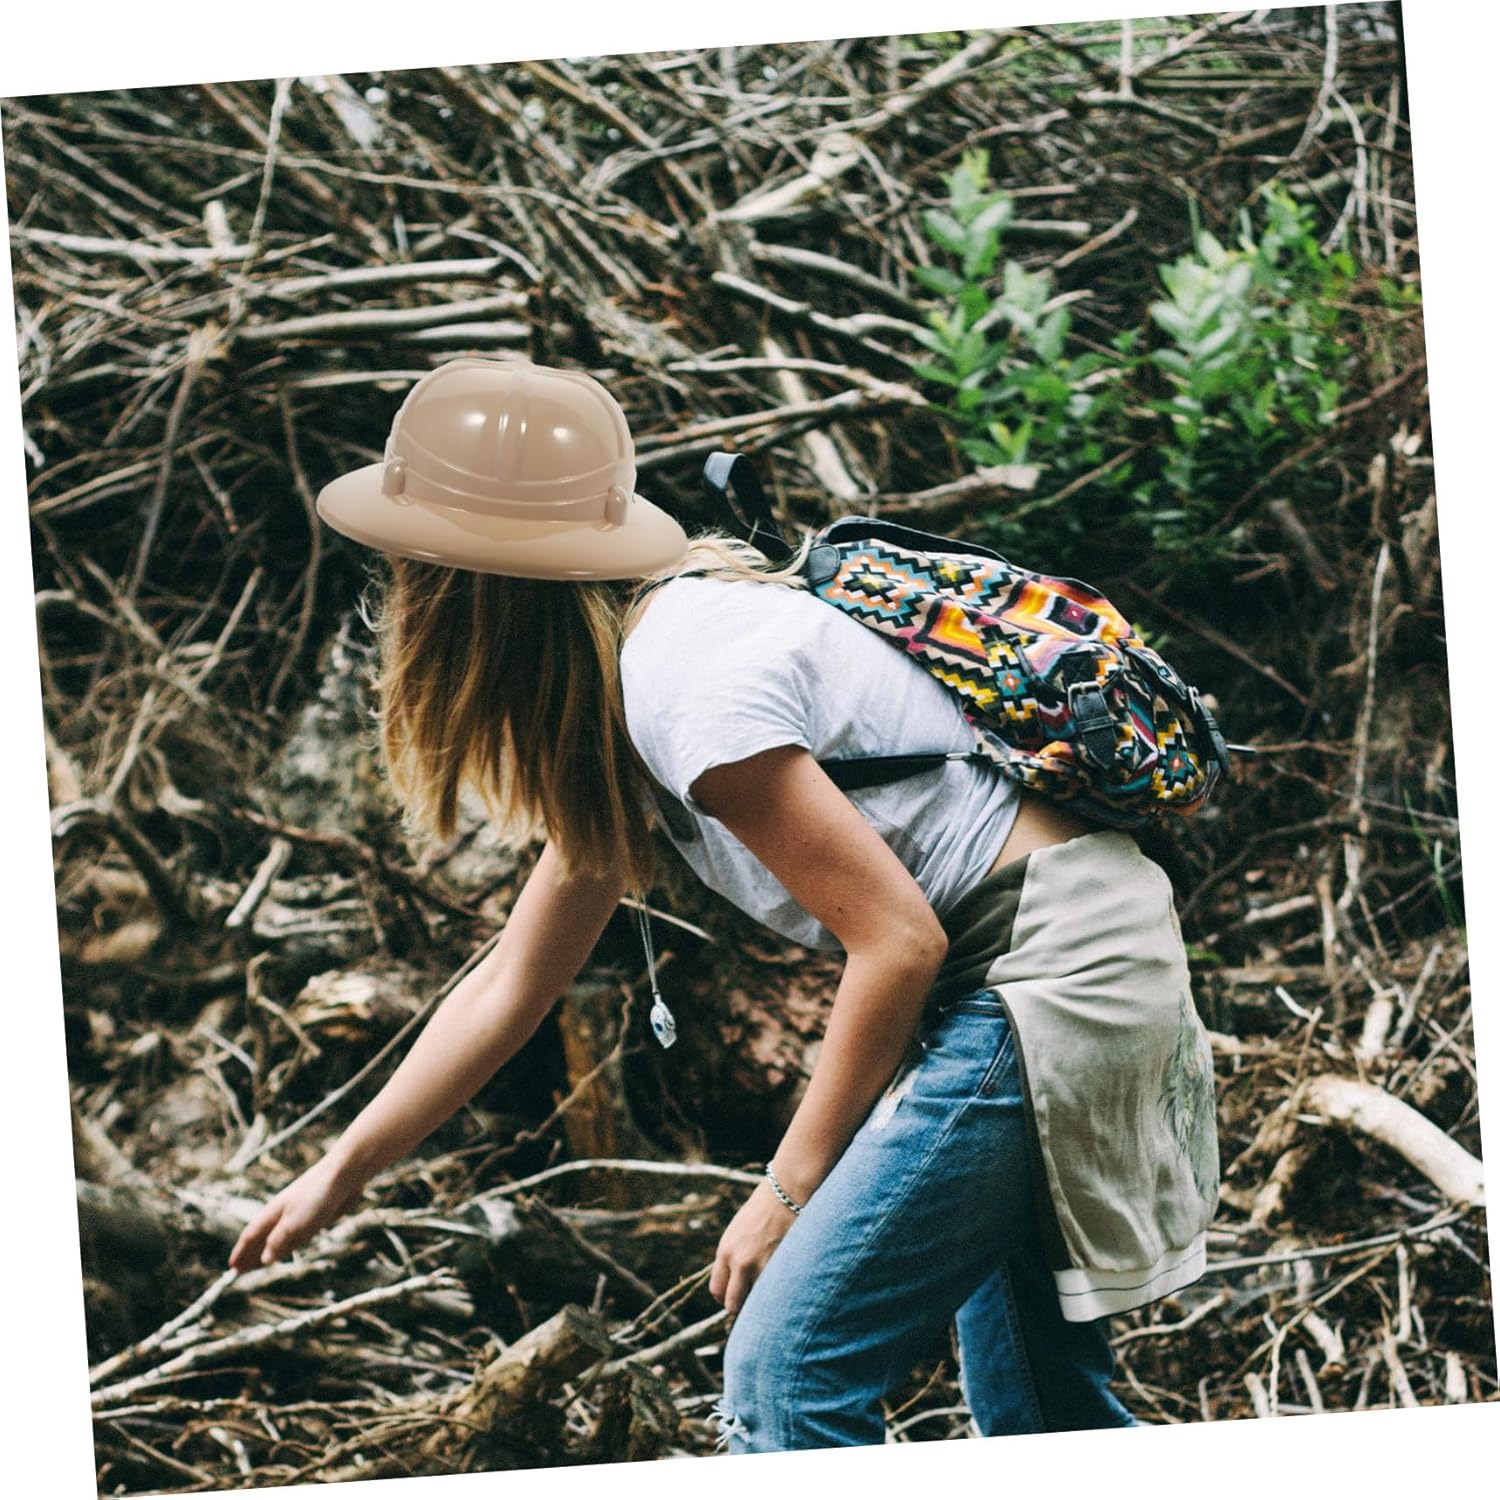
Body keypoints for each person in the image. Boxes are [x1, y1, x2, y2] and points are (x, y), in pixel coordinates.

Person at [228, 357, 1220, 1451]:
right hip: (1070, 955)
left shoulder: (685, 683)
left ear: (472, 589)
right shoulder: (638, 689)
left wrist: (785, 1193)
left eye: (410, 567)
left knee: (787, 1376)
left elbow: (897, 942)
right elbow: (510, 986)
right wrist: (340, 1174)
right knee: (1045, 1416)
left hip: (1048, 976)